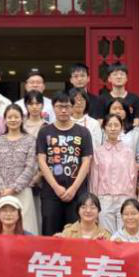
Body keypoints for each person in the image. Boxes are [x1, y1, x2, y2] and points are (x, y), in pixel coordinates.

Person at [35, 92, 93, 236]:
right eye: (59, 106)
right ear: (53, 108)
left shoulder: (83, 132)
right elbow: (41, 160)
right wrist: (56, 187)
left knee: (75, 234)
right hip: (51, 192)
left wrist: (73, 188)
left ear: (72, 108)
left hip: (77, 192)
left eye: (67, 106)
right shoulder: (44, 132)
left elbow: (86, 161)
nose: (63, 110)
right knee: (50, 232)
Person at [0, 104, 40, 235]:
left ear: (22, 119)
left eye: (16, 117)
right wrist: (2, 187)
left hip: (23, 192)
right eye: (9, 117)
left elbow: (31, 166)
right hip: (0, 192)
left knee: (25, 231)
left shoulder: (30, 140)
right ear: (4, 120)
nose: (13, 120)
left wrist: (14, 188)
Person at [93, 113, 138, 234]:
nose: (113, 128)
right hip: (104, 198)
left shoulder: (128, 151)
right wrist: (94, 202)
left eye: (116, 125)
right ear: (104, 128)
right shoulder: (98, 152)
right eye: (109, 125)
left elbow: (133, 177)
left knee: (125, 234)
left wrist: (132, 199)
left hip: (124, 197)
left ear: (121, 127)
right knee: (106, 234)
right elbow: (94, 178)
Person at [98, 62, 139, 127]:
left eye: (122, 74)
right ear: (109, 78)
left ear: (126, 78)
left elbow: (137, 122)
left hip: (129, 132)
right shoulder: (101, 99)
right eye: (115, 74)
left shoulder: (135, 99)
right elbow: (100, 122)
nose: (119, 77)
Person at [106, 97, 139, 164]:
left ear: (126, 111)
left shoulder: (136, 131)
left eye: (121, 109)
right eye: (114, 108)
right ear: (108, 111)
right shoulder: (103, 130)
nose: (117, 111)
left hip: (130, 168)